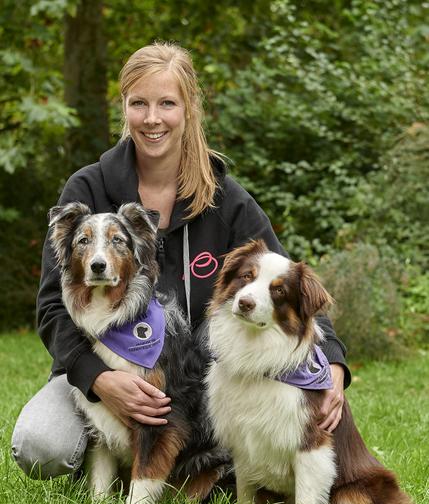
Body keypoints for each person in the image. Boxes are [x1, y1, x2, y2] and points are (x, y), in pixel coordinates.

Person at [11, 41, 351, 480]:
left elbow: (284, 286)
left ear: (189, 109)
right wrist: (97, 378)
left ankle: (185, 464)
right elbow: (51, 306)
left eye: (167, 103)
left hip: (195, 385)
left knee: (301, 416)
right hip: (98, 371)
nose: (152, 119)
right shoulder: (88, 188)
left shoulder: (228, 201)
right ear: (125, 108)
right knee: (41, 445)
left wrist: (336, 366)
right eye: (140, 104)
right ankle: (113, 456)